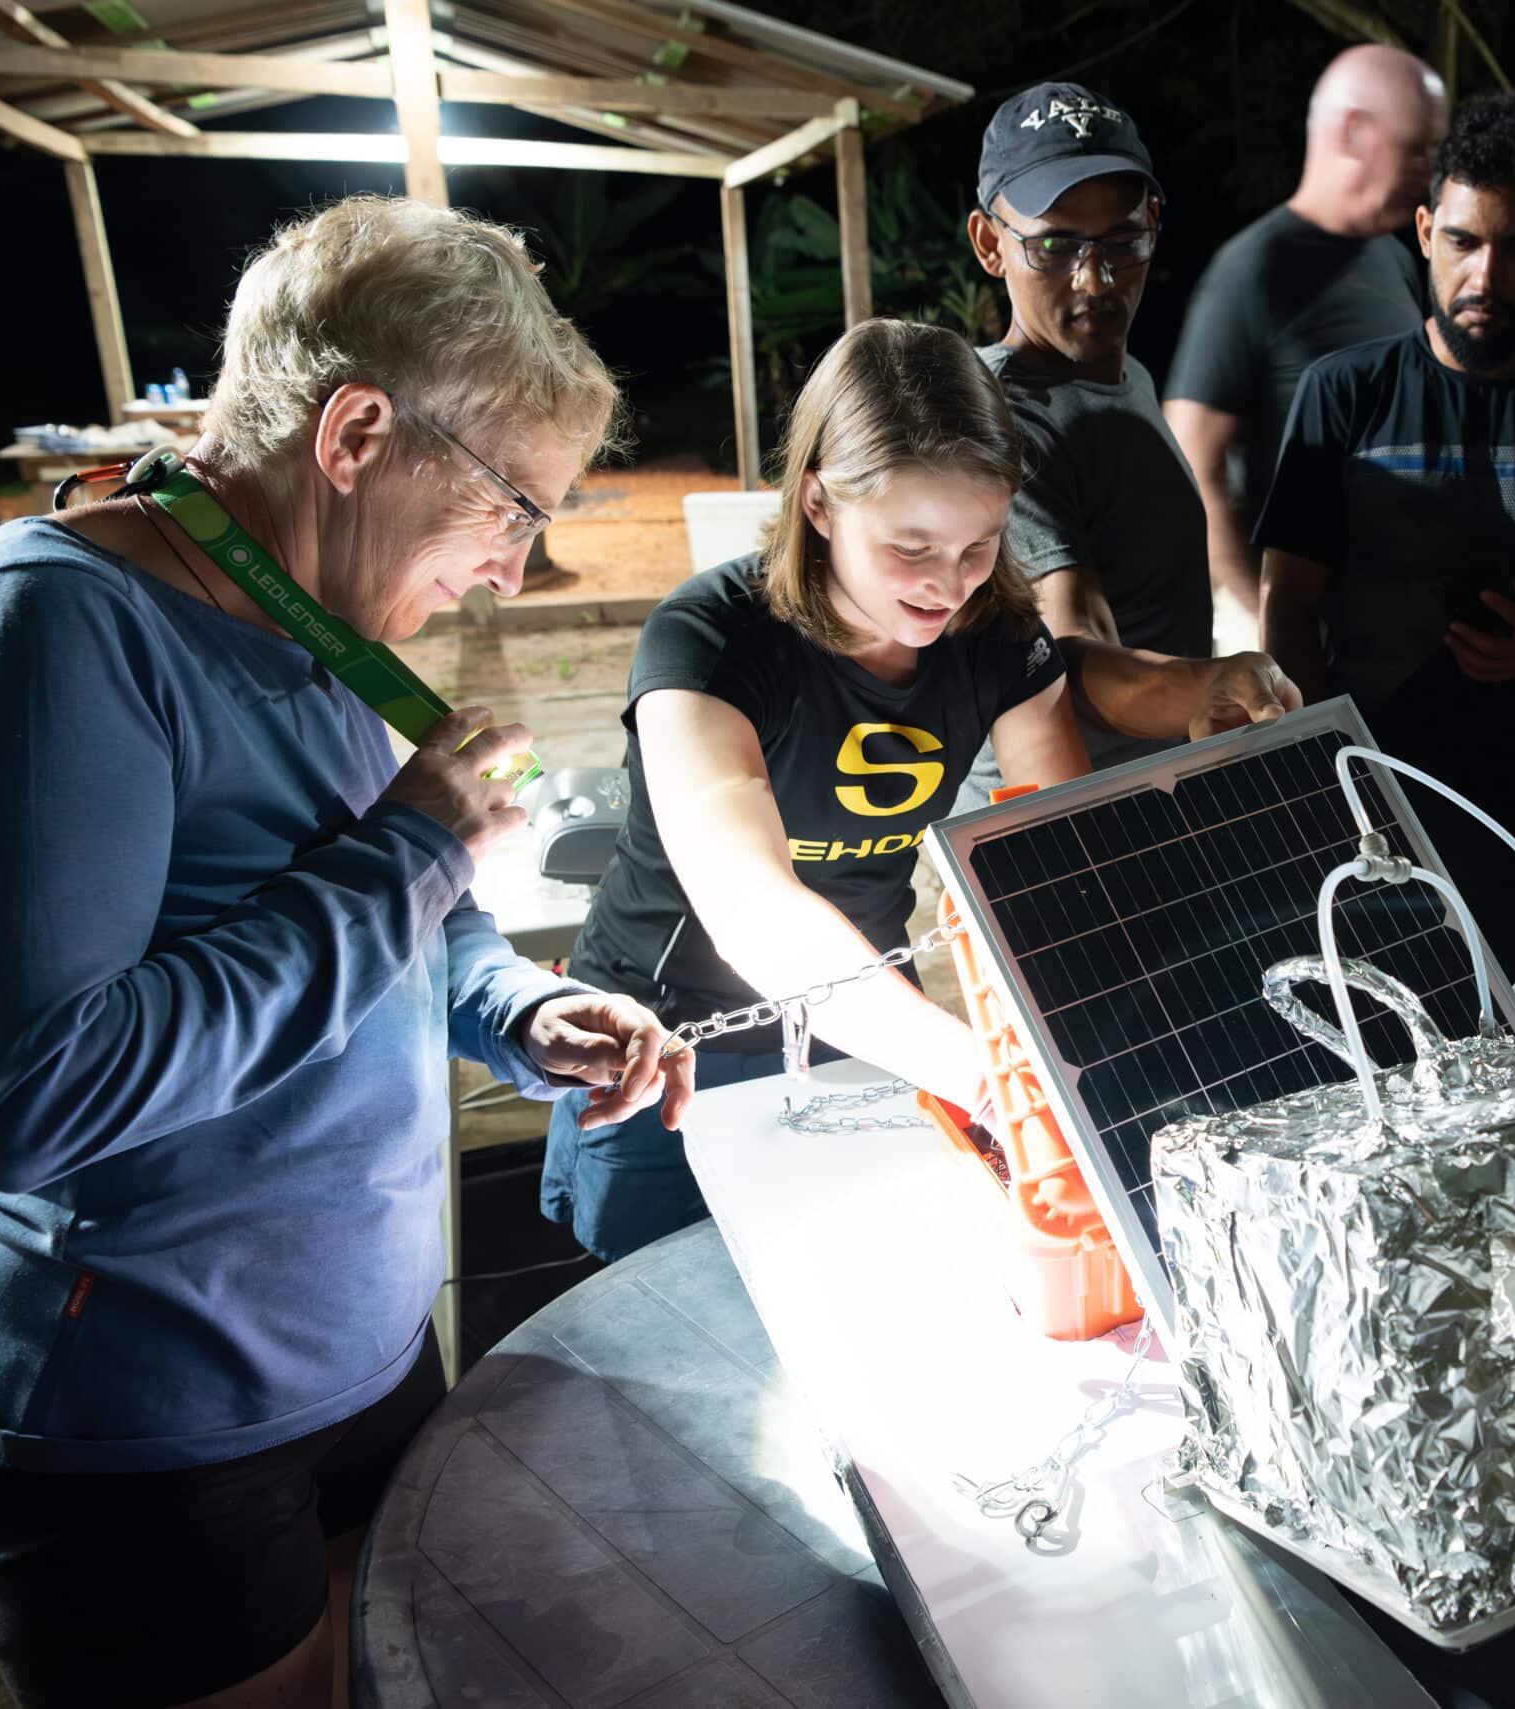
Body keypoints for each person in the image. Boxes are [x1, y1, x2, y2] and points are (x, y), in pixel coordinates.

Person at [0, 197, 692, 1709]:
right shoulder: (51, 626)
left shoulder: (313, 623)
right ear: (354, 435)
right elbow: (23, 1095)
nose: (514, 572)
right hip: (144, 1415)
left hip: (356, 1359)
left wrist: (521, 1010)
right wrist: (414, 845)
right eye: (512, 507)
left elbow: (419, 931)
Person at [546, 319, 1295, 1263]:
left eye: (980, 543)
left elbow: (1055, 849)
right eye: (911, 547)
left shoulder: (992, 635)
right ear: (818, 501)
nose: (950, 584)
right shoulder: (708, 638)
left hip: (871, 1040)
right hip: (669, 1052)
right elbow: (754, 910)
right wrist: (987, 1076)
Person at [1254, 92, 1515, 1029]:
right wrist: (1337, 759)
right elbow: (1288, 605)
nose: (1489, 272)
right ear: (1426, 231)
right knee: (1380, 1054)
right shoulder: (1344, 395)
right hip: (1373, 799)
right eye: (1466, 241)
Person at [957, 81, 1216, 805]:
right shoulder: (998, 415)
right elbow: (1072, 644)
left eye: (1121, 241)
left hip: (1147, 798)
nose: (1094, 279)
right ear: (989, 244)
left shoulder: (1122, 375)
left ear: (1154, 224)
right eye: (1054, 244)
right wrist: (1211, 683)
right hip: (1058, 828)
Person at [1163, 45, 1447, 643]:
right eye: (1418, 147)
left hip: (1390, 623)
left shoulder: (1395, 258)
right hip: (1291, 632)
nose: (1431, 170)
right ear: (1353, 133)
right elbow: (1192, 464)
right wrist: (1264, 625)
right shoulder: (1254, 268)